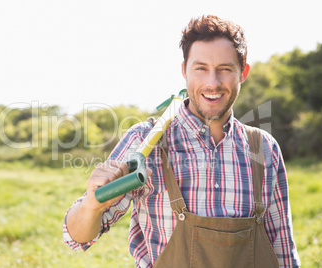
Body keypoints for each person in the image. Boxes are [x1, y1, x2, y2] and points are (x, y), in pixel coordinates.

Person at [63, 15, 301, 267]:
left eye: (225, 69)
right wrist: (92, 205)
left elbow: (283, 249)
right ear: (183, 70)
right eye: (200, 68)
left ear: (243, 73)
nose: (213, 83)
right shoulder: (144, 142)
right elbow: (77, 238)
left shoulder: (264, 148)